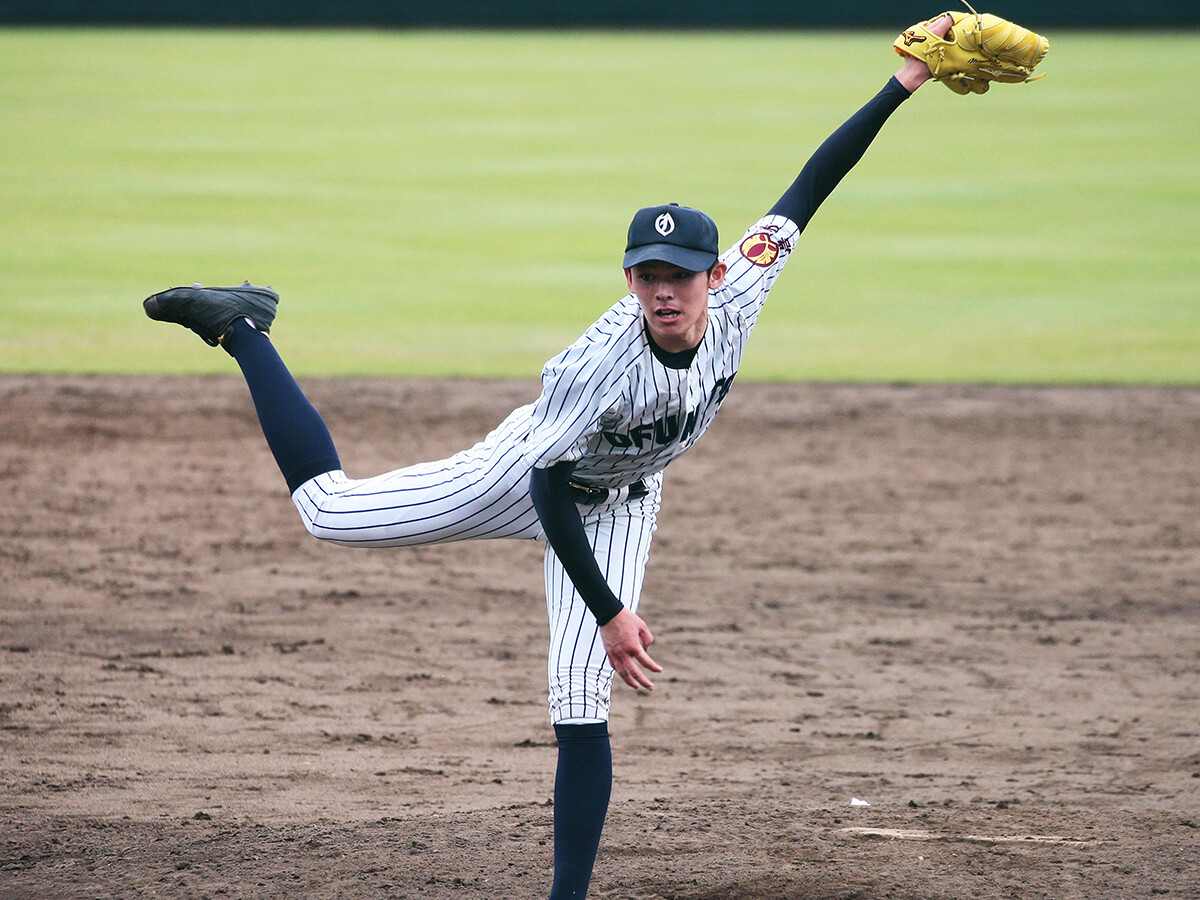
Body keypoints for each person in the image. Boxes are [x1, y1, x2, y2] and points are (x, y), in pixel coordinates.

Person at [144, 18, 952, 899]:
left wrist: (906, 81)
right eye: (648, 275)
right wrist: (608, 610)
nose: (665, 291)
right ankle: (242, 326)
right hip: (530, 475)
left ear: (714, 276)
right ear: (630, 280)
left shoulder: (742, 288)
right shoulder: (599, 364)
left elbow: (809, 187)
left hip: (624, 499)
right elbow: (547, 484)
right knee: (329, 513)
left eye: (681, 275)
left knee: (581, 702)